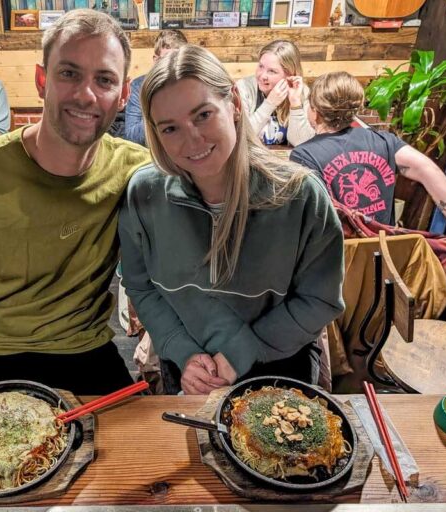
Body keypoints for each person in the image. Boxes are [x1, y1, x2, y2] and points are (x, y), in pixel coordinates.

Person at [0, 9, 151, 397]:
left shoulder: (135, 171)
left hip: (86, 348)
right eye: (69, 73)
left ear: (124, 95)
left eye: (104, 80)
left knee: (140, 456)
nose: (86, 94)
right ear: (42, 80)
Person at [119, 45, 345, 395]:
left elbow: (321, 299)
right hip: (188, 367)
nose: (192, 139)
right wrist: (182, 351)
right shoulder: (144, 193)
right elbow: (140, 286)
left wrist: (241, 352)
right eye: (170, 129)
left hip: (277, 367)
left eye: (203, 115)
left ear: (235, 105)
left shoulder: (300, 195)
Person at [289, 71, 446, 238]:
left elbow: (305, 219)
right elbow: (429, 170)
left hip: (337, 260)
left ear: (316, 112)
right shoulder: (383, 141)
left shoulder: (304, 155)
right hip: (383, 252)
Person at [236, 40, 315, 146]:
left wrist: (295, 103)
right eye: (261, 66)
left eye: (272, 71)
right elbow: (241, 137)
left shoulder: (301, 92)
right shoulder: (244, 88)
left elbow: (301, 142)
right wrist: (269, 104)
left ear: (290, 74)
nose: (262, 75)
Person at [123, 29, 188, 146]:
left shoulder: (192, 85)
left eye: (177, 60)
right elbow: (131, 137)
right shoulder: (139, 86)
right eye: (165, 60)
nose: (171, 65)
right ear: (155, 60)